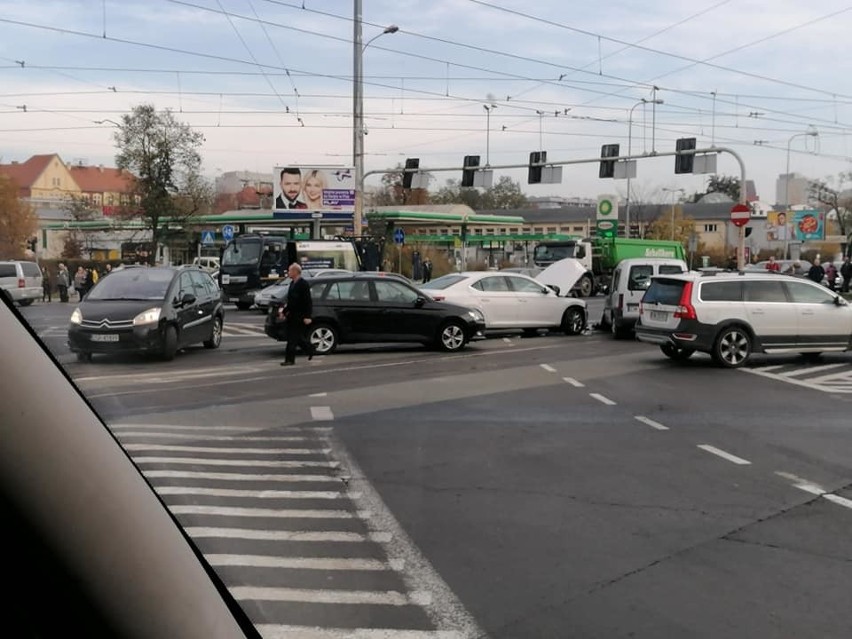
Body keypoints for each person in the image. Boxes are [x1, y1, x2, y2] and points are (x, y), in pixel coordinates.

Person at [280, 263, 314, 366]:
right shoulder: (292, 283)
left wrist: (307, 316)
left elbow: (307, 301)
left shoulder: (303, 284)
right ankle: (310, 349)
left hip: (300, 316)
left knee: (292, 338)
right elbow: (291, 301)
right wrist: (284, 312)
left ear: (295, 271)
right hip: (292, 315)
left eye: (290, 271)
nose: (288, 272)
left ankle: (289, 360)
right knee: (297, 338)